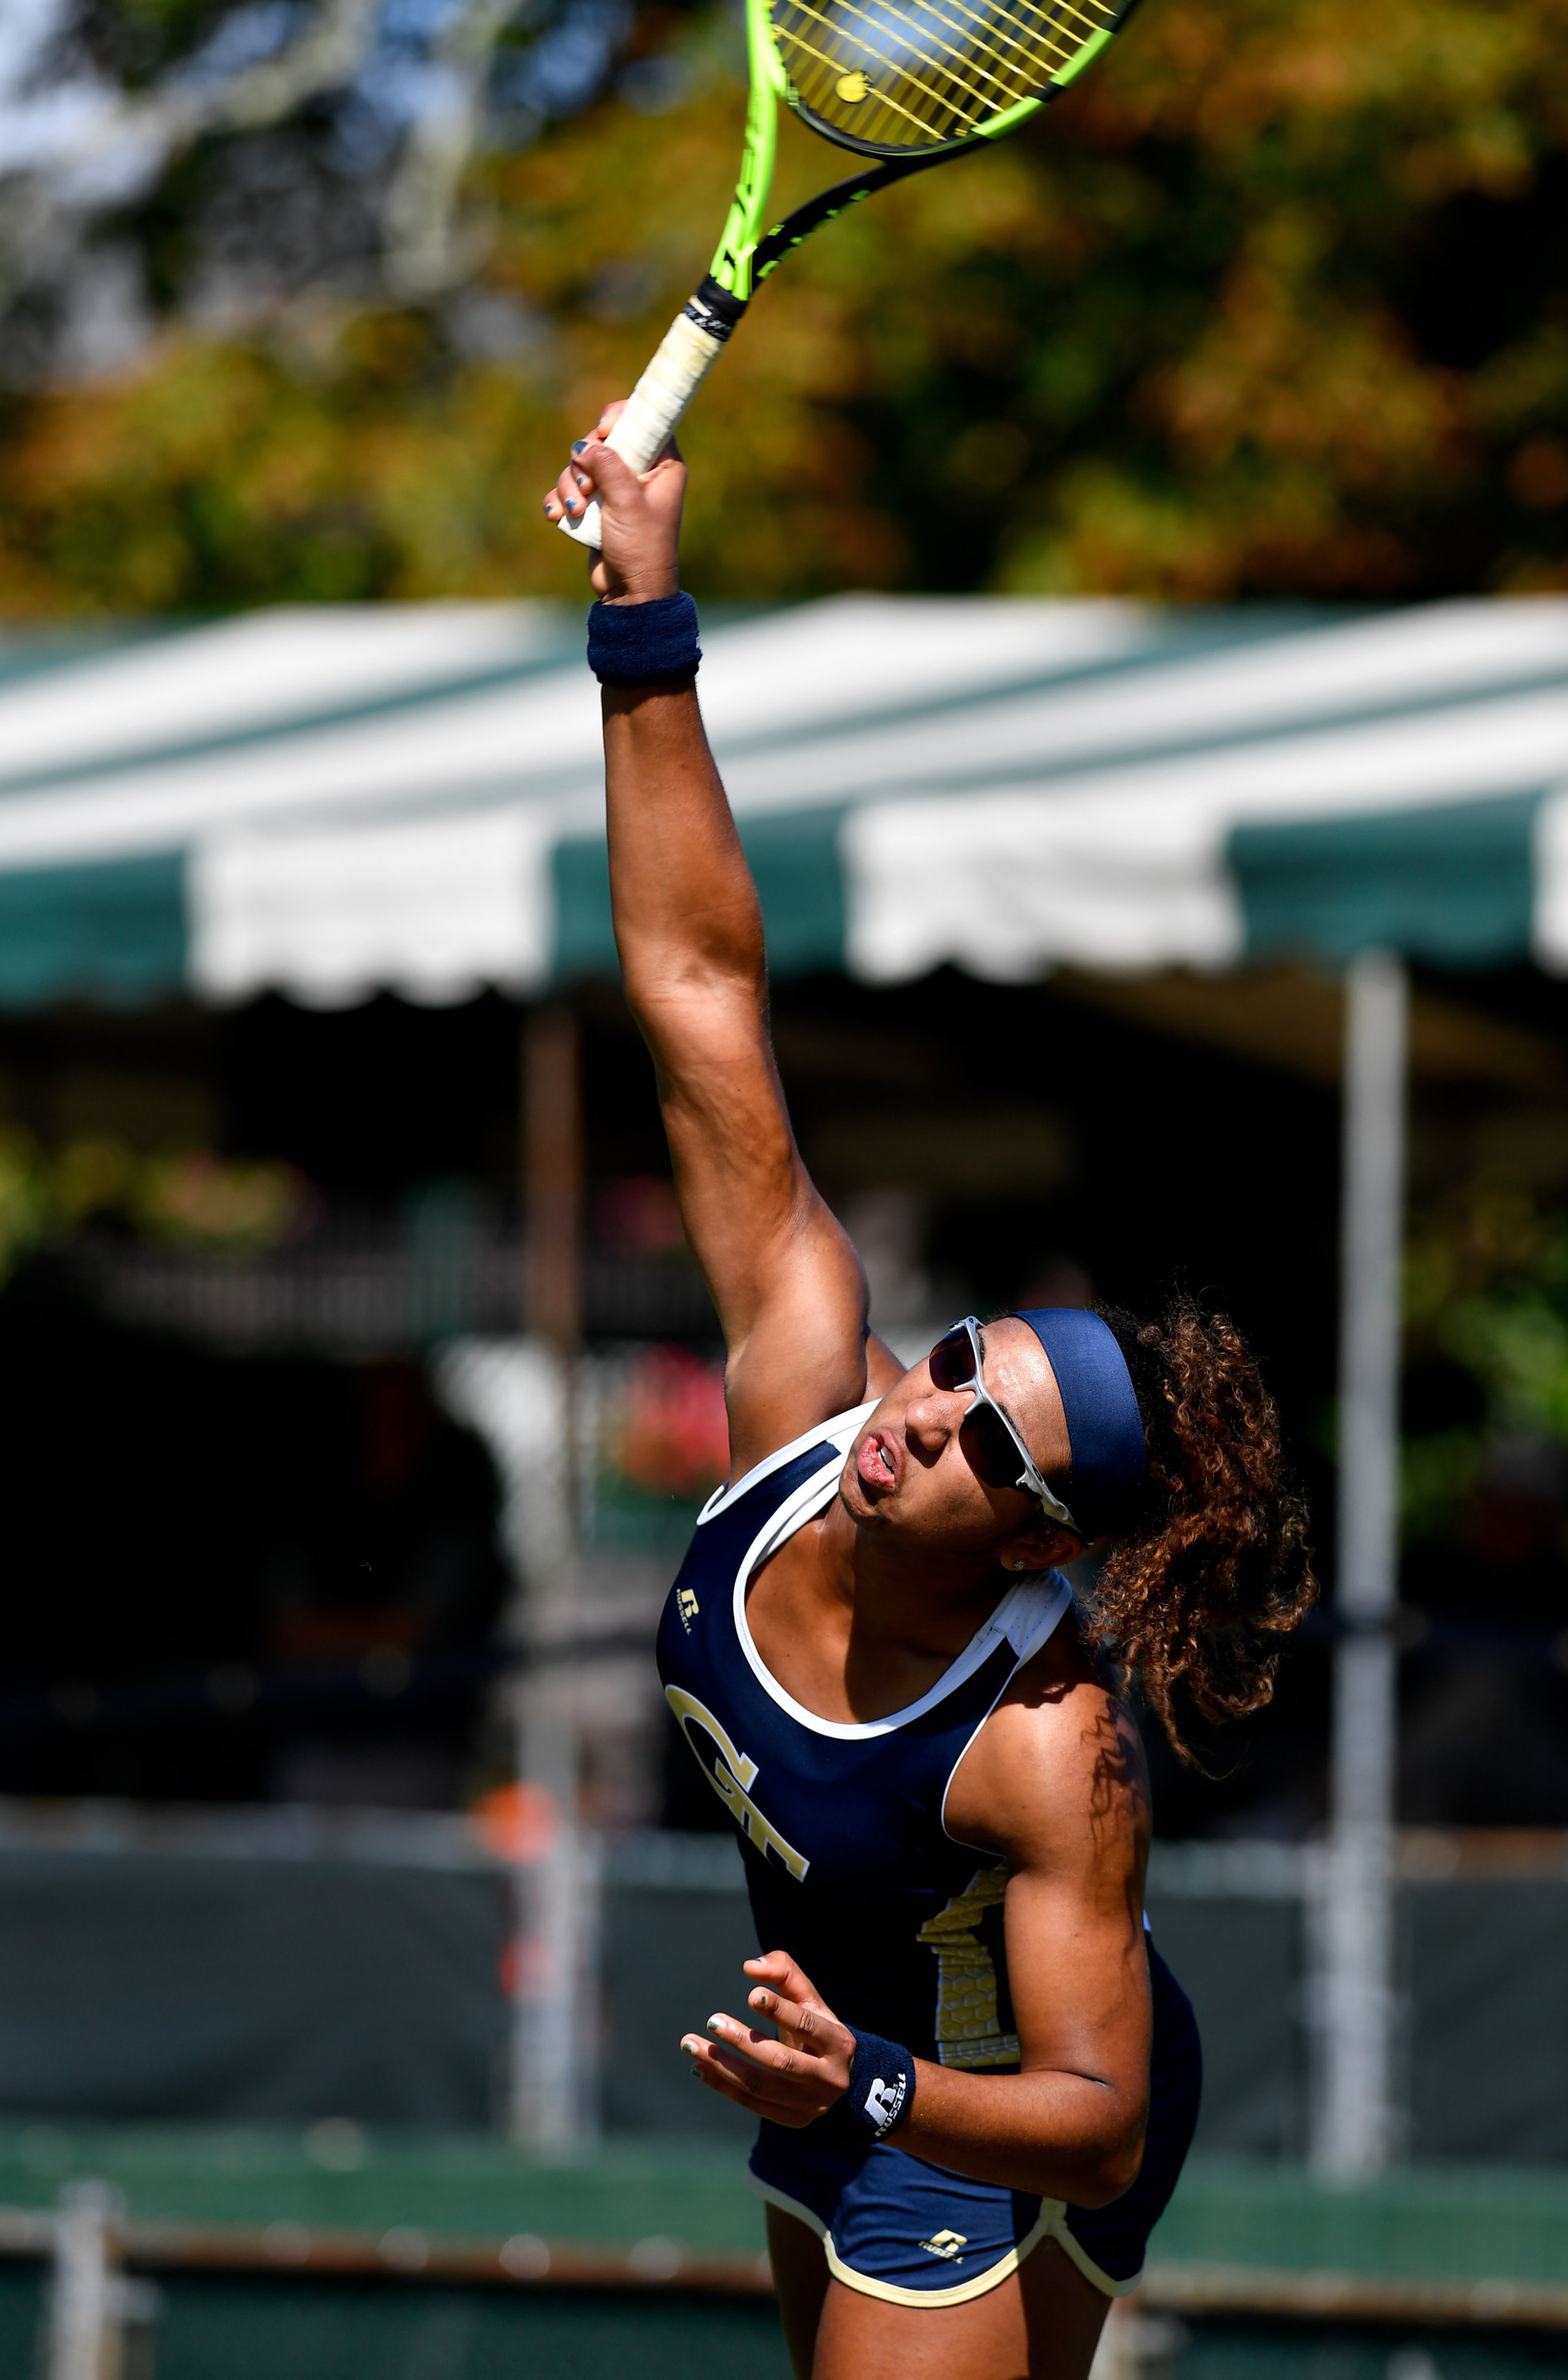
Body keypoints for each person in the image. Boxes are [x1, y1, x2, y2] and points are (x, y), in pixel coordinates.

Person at [544, 419, 1316, 2380]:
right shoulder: (809, 1381)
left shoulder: (1047, 1750)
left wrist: (873, 2084)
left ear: (1038, 1544)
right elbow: (695, 981)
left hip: (984, 2100)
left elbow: (1099, 2110)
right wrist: (644, 620)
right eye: (963, 1358)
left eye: (990, 1438)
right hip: (836, 2060)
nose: (928, 1408)